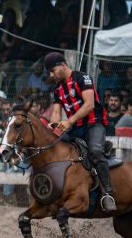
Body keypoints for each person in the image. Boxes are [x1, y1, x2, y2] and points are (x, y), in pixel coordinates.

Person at [46, 51, 116, 212]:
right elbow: (56, 113)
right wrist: (53, 125)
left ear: (62, 65)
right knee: (56, 150)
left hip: (94, 124)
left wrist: (69, 121)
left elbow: (89, 104)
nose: (51, 75)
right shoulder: (57, 89)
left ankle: (108, 194)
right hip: (76, 128)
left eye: (52, 70)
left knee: (96, 152)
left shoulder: (82, 78)